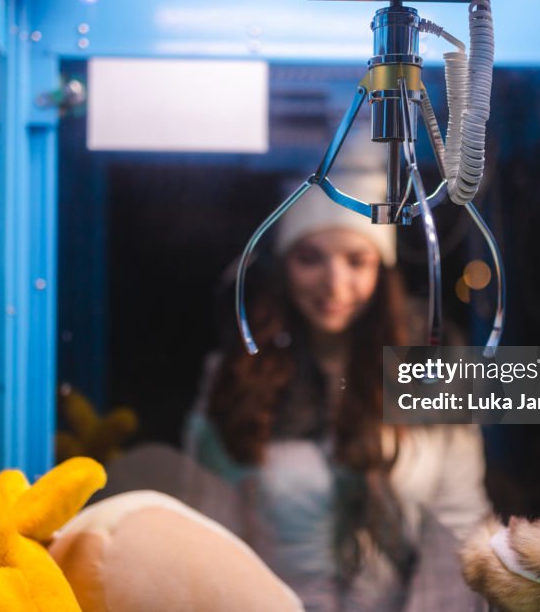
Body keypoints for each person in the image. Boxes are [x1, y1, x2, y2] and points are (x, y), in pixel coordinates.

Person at [185, 153, 491, 612]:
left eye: (356, 260)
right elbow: (209, 537)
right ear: (283, 264)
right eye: (310, 258)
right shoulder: (237, 376)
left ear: (381, 267)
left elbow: (461, 525)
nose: (335, 284)